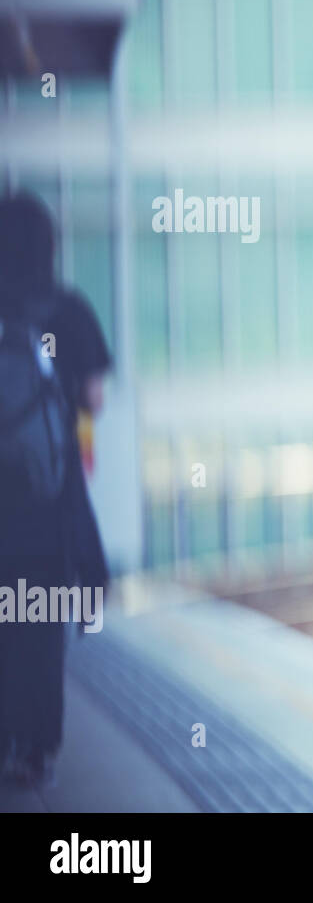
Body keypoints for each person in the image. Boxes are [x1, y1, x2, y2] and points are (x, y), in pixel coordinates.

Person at [0, 190, 112, 789]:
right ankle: (34, 750)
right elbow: (94, 397)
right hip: (49, 498)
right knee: (39, 622)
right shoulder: (65, 308)